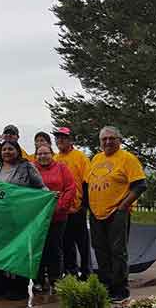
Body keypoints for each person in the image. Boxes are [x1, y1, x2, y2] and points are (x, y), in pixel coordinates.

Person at [85, 126, 147, 303]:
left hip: (117, 212)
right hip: (96, 213)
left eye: (111, 138)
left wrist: (122, 207)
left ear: (119, 140)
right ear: (100, 142)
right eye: (104, 139)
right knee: (100, 250)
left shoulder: (127, 158)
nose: (107, 142)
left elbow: (140, 185)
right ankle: (105, 285)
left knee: (117, 252)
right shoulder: (96, 158)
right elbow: (88, 183)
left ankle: (121, 289)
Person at [0, 140, 46, 300]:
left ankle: (19, 288)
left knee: (17, 252)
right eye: (4, 149)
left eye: (10, 149)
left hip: (19, 218)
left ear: (17, 151)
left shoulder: (26, 166)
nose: (7, 152)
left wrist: (49, 197)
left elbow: (41, 188)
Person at [33, 144, 75, 287]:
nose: (42, 156)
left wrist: (59, 207)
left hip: (57, 217)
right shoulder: (32, 169)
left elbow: (70, 188)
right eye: (39, 154)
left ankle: (55, 279)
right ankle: (38, 280)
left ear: (52, 154)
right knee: (38, 248)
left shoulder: (61, 168)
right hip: (37, 218)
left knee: (55, 248)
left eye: (46, 153)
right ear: (35, 155)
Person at [53, 127, 91, 280]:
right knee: (67, 243)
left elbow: (87, 182)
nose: (60, 140)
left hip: (77, 208)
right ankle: (71, 272)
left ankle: (87, 272)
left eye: (64, 137)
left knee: (82, 242)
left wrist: (84, 205)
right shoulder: (55, 159)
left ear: (71, 140)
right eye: (58, 137)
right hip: (62, 209)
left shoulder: (80, 157)